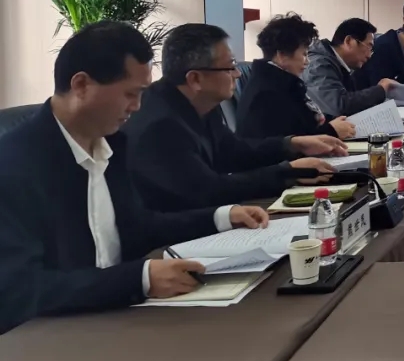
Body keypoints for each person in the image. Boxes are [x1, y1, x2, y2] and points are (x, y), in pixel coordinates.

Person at [0, 22, 270, 334]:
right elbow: (20, 291)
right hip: (49, 337)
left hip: (115, 314)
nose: (138, 106)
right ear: (81, 85)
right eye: (131, 94)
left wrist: (221, 217)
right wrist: (139, 279)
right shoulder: (14, 164)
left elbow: (138, 227)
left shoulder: (112, 143)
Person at [123, 24, 346, 212]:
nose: (238, 73)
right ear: (195, 79)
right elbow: (209, 190)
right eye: (230, 67)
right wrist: (288, 172)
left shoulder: (200, 103)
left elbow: (235, 152)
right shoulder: (161, 126)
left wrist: (292, 144)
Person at [236, 14, 357, 141]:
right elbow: (293, 141)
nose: (307, 61)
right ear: (282, 55)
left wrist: (334, 124)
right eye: (304, 54)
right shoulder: (267, 94)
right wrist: (332, 130)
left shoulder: (281, 82)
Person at [304, 17, 396, 117]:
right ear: (348, 41)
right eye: (368, 47)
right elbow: (338, 107)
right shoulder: (318, 65)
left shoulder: (341, 66)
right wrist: (380, 90)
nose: (369, 55)